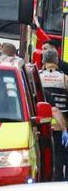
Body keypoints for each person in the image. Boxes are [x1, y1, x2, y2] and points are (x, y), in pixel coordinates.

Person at [39, 49, 68, 180]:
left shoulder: (37, 76)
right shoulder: (64, 78)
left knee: (43, 155)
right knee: (59, 155)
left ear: (43, 61)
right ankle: (59, 180)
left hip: (41, 123)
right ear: (57, 61)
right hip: (60, 125)